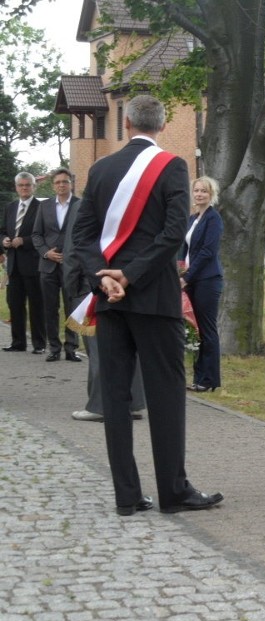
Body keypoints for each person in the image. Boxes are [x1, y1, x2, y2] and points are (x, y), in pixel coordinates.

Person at [72, 94, 223, 516]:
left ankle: (127, 496)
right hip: (153, 298)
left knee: (116, 397)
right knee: (166, 394)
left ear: (125, 124)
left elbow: (82, 236)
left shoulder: (100, 169)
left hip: (110, 302)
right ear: (161, 124)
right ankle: (173, 492)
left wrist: (104, 276)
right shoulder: (173, 166)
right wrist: (131, 275)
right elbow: (174, 233)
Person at [62, 179, 146, 423]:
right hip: (127, 282)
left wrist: (71, 284)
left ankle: (100, 405)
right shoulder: (133, 202)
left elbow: (74, 247)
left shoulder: (84, 206)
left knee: (99, 349)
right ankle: (132, 402)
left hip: (92, 284)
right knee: (130, 346)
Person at [31, 168, 82, 362]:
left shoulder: (80, 205)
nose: (61, 185)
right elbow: (36, 234)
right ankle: (54, 347)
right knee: (50, 308)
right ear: (53, 186)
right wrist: (46, 252)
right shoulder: (44, 207)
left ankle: (71, 348)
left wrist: (73, 256)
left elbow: (84, 234)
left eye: (65, 182)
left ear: (71, 184)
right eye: (58, 182)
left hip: (72, 266)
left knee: (72, 307)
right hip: (48, 266)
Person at [180, 175, 224, 393]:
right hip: (190, 280)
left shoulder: (213, 219)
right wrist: (178, 271)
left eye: (204, 191)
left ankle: (209, 379)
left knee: (207, 330)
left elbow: (207, 252)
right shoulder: (192, 219)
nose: (199, 195)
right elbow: (184, 250)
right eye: (196, 191)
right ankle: (198, 377)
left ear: (211, 194)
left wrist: (186, 277)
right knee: (194, 330)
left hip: (206, 280)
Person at [1, 172, 46, 354]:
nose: (24, 188)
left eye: (28, 185)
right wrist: (3, 240)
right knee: (15, 304)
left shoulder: (42, 207)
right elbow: (2, 230)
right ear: (16, 187)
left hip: (33, 264)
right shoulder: (11, 207)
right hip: (14, 265)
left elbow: (44, 234)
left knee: (36, 305)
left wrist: (25, 241)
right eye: (21, 185)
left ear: (34, 187)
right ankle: (18, 342)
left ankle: (39, 344)